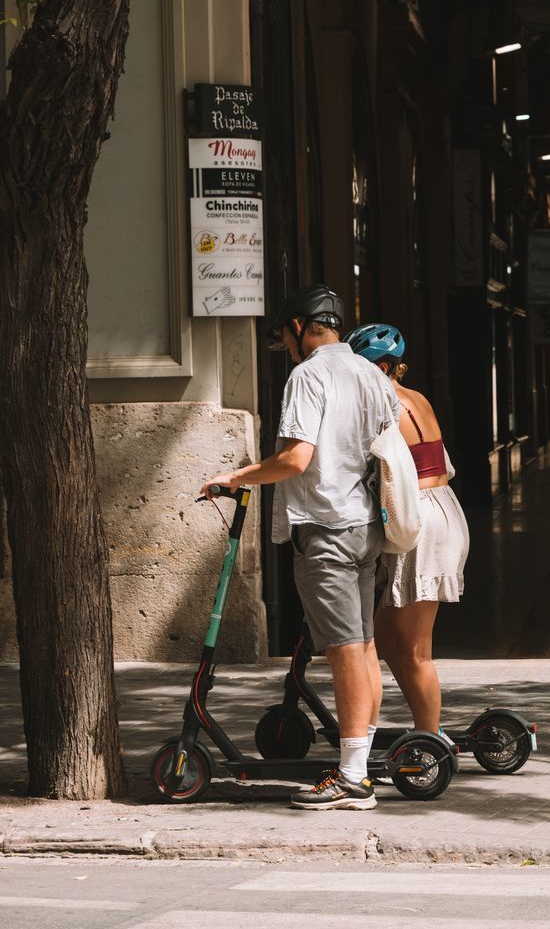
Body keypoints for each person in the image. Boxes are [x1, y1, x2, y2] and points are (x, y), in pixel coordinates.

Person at [201, 286, 399, 810]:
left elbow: (294, 459)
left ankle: (352, 777)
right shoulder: (367, 373)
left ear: (299, 327)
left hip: (326, 526)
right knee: (363, 646)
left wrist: (236, 476)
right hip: (363, 525)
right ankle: (359, 760)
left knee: (344, 651)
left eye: (286, 335)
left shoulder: (308, 374)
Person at [343, 323, 469, 736]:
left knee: (415, 650)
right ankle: (380, 729)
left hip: (421, 521)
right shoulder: (418, 398)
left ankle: (431, 740)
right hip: (442, 509)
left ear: (380, 367)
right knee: (381, 635)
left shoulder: (380, 405)